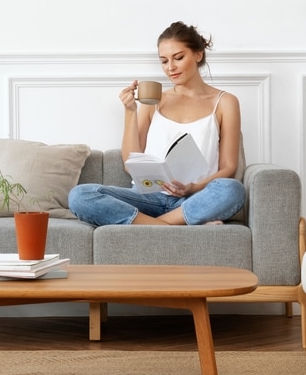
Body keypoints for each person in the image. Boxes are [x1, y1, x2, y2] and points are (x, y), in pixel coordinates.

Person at [68, 22, 246, 225]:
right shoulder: (155, 100)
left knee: (232, 189)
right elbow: (129, 163)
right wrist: (130, 111)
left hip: (194, 198)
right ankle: (175, 226)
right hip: (147, 198)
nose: (170, 67)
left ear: (198, 55)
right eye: (164, 61)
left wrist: (192, 187)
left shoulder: (225, 102)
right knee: (81, 195)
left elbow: (228, 167)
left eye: (178, 58)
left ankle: (148, 225)